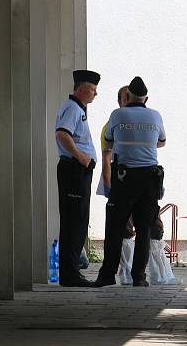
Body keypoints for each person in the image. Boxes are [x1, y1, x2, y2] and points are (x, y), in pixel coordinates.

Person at [94, 76, 166, 288]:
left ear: (128, 96)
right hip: (149, 178)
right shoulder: (155, 116)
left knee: (115, 226)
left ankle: (107, 275)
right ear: (146, 98)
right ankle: (139, 277)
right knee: (144, 227)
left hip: (124, 179)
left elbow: (108, 140)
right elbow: (161, 143)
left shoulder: (117, 115)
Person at [54, 69, 100, 287]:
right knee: (74, 221)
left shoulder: (76, 108)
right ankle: (70, 274)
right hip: (74, 170)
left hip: (76, 170)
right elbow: (63, 134)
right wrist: (83, 158)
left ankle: (71, 272)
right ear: (81, 89)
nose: (95, 94)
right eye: (92, 89)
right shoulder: (72, 108)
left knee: (78, 220)